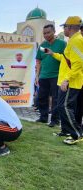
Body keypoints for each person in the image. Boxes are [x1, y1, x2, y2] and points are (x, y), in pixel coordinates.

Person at [47, 16, 83, 145]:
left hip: (70, 81)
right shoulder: (73, 40)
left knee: (65, 107)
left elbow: (78, 63)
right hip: (66, 80)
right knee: (62, 106)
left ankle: (76, 134)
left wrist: (67, 79)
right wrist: (53, 54)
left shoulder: (76, 41)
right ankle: (66, 131)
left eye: (64, 27)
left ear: (69, 27)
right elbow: (66, 59)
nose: (64, 29)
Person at [35, 24, 66, 127]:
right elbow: (38, 61)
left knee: (56, 99)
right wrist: (37, 76)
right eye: (44, 33)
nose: (46, 35)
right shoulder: (42, 46)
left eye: (48, 32)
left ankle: (55, 120)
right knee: (41, 98)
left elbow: (66, 59)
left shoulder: (62, 44)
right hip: (43, 76)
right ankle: (43, 118)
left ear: (54, 32)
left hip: (56, 75)